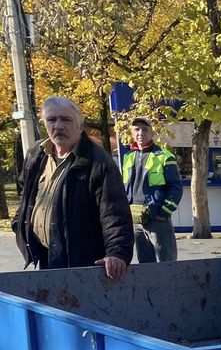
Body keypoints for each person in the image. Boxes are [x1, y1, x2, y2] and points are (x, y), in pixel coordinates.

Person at [13, 96, 132, 279]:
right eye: (52, 119)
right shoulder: (36, 154)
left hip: (81, 261)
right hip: (43, 256)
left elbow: (114, 212)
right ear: (45, 123)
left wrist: (117, 253)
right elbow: (26, 192)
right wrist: (19, 223)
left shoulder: (98, 161)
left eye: (66, 120)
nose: (58, 126)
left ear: (79, 124)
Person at [122, 116, 182, 263]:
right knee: (145, 263)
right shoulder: (128, 156)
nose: (140, 133)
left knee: (166, 262)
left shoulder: (164, 156)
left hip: (157, 219)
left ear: (152, 133)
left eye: (144, 129)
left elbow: (176, 188)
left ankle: (170, 286)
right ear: (132, 132)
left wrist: (164, 213)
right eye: (136, 129)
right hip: (136, 218)